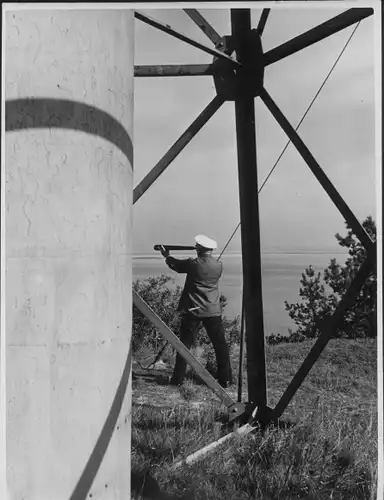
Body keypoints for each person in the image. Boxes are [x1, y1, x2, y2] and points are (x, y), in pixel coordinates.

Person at [159, 235, 233, 388]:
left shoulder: (193, 264)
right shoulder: (219, 265)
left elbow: (176, 266)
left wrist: (167, 256)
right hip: (213, 310)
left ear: (199, 249)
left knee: (183, 345)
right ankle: (226, 379)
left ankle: (177, 380)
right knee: (220, 345)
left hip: (193, 310)